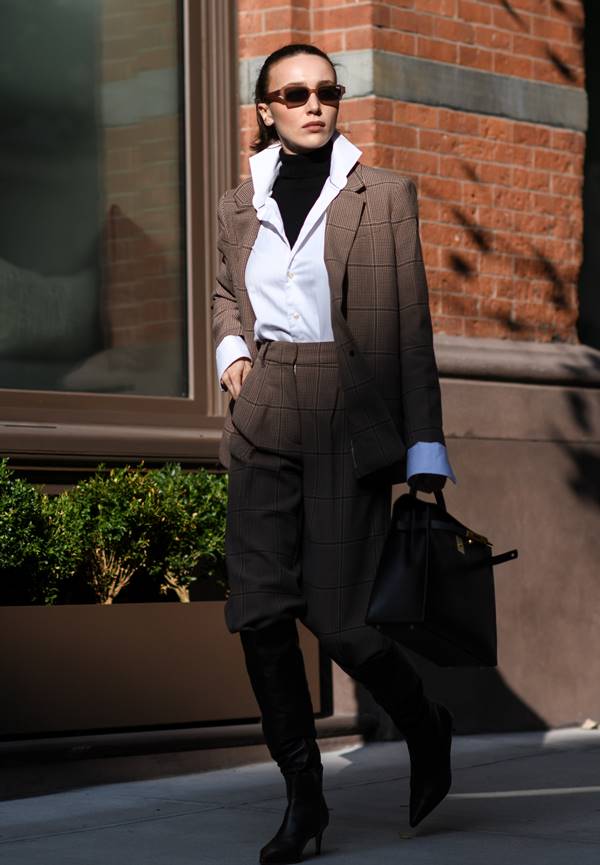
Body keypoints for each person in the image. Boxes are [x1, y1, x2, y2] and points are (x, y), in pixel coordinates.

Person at [212, 42, 457, 865]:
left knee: (346, 619)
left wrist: (425, 447)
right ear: (267, 109)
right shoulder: (236, 201)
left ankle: (426, 722)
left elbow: (409, 326)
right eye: (294, 93)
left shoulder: (384, 195)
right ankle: (303, 797)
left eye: (326, 90)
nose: (314, 104)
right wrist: (230, 353)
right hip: (266, 402)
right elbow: (224, 290)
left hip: (348, 409)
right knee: (258, 607)